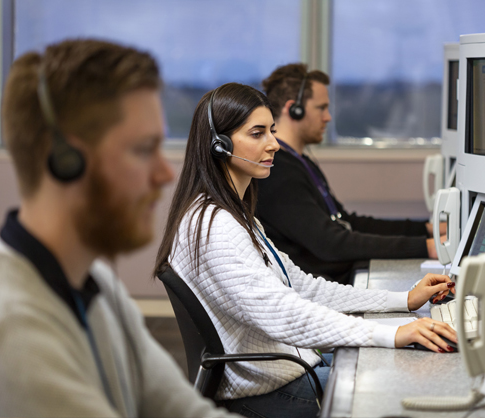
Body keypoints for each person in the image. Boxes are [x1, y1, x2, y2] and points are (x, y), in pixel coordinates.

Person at [155, 82, 457, 418]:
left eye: (271, 130)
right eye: (257, 134)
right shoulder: (216, 227)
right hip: (272, 392)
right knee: (403, 385)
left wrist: (402, 300)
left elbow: (303, 287)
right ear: (219, 145)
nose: (273, 144)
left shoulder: (235, 215)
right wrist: (392, 334)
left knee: (403, 360)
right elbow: (285, 314)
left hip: (288, 369)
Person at [0, 39, 238, 417]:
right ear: (66, 163)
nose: (164, 174)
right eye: (144, 149)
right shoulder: (12, 331)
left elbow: (185, 411)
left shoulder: (94, 281)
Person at [257, 63, 445, 284]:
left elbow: (345, 221)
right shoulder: (278, 173)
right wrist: (425, 246)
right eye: (321, 108)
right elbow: (332, 243)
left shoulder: (299, 162)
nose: (328, 117)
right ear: (294, 109)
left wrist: (426, 229)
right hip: (317, 288)